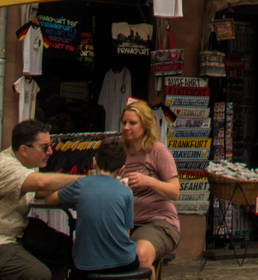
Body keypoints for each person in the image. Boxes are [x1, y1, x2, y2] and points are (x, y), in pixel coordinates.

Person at [0, 122, 71, 280]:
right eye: (44, 147)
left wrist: (78, 192)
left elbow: (38, 190)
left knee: (66, 249)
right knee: (38, 275)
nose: (50, 152)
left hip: (13, 233)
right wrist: (89, 180)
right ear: (24, 150)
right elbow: (40, 183)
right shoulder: (4, 166)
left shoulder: (29, 165)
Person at [44, 136, 141, 280]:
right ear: (122, 170)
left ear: (94, 162)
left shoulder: (80, 185)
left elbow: (49, 200)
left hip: (86, 264)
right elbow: (126, 232)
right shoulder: (126, 192)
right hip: (124, 262)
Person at [115, 101, 180, 271]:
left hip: (158, 221)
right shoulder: (119, 153)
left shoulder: (157, 151)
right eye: (124, 123)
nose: (126, 127)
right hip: (124, 224)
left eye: (132, 123)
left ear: (145, 125)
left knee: (140, 257)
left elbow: (174, 192)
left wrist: (147, 181)